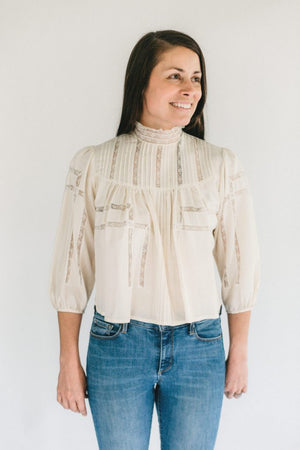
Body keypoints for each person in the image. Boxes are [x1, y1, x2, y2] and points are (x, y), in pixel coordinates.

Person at [49, 30, 261, 450]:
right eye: (176, 76)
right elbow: (72, 271)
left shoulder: (220, 165)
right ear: (141, 82)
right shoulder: (93, 164)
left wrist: (239, 352)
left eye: (197, 78)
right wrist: (67, 360)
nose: (190, 90)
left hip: (200, 348)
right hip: (117, 347)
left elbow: (240, 268)